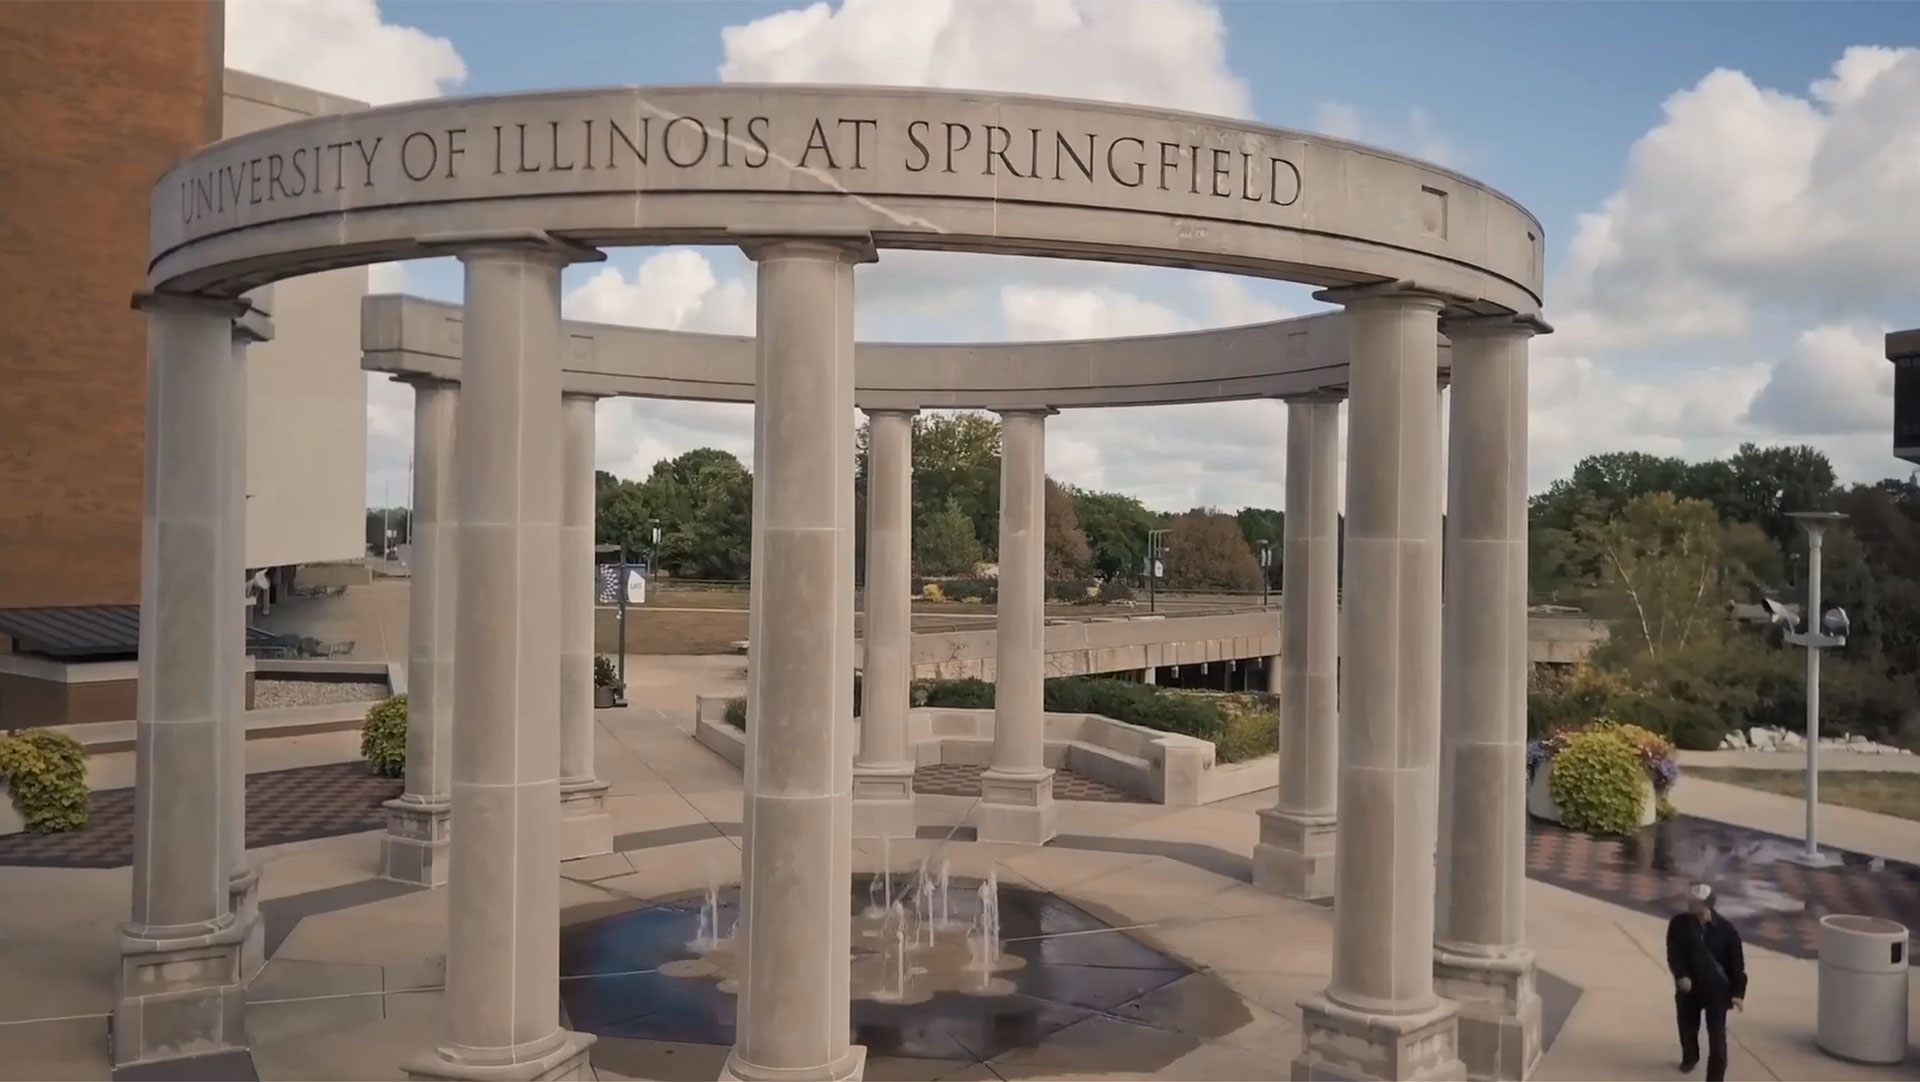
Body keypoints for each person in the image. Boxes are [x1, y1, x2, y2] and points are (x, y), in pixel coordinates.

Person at [1666, 882, 1747, 1080]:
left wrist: (1738, 993)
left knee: (1717, 1037)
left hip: (1716, 991)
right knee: (1687, 1026)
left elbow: (1736, 963)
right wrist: (1680, 975)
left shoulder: (1727, 931)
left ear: (1707, 905)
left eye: (1695, 902)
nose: (1690, 904)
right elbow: (1674, 954)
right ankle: (1690, 1057)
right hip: (1690, 988)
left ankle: (1715, 1078)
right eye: (1690, 900)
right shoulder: (1679, 924)